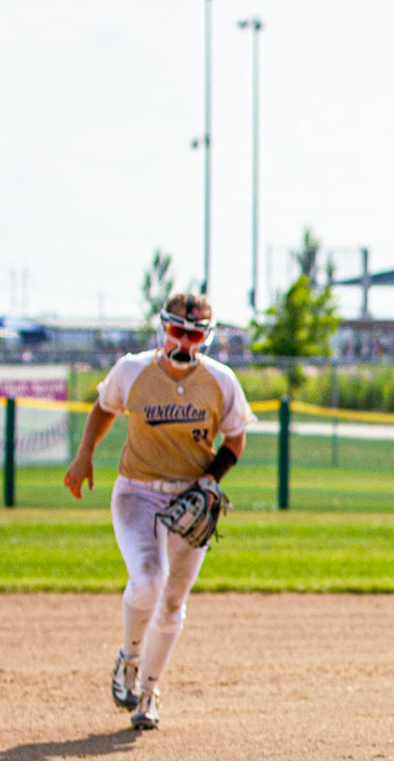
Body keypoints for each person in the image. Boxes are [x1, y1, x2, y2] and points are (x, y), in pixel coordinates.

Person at [63, 293, 254, 730]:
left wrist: (210, 481)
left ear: (206, 337)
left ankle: (148, 693)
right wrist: (84, 455)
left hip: (190, 497)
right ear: (162, 328)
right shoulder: (132, 370)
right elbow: (104, 408)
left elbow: (235, 439)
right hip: (138, 493)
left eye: (194, 335)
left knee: (171, 603)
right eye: (176, 331)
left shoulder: (220, 380)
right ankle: (129, 657)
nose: (183, 341)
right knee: (148, 579)